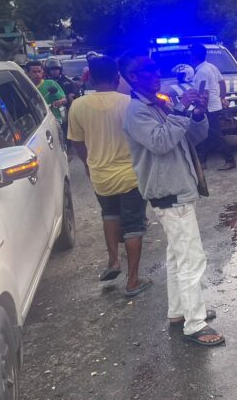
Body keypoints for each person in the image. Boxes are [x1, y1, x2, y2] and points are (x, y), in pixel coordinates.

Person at [120, 49, 224, 347]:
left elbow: (191, 137)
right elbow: (162, 142)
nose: (156, 76)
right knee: (192, 257)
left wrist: (198, 113)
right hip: (170, 194)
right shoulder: (136, 111)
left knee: (178, 257)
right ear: (131, 78)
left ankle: (180, 312)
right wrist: (181, 111)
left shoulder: (159, 104)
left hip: (177, 190)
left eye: (156, 71)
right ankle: (196, 324)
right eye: (148, 72)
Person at [67, 56, 151, 297]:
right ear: (117, 77)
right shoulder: (129, 103)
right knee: (134, 225)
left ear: (91, 78)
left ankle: (113, 262)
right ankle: (133, 281)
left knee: (110, 215)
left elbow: (77, 143)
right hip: (131, 174)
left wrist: (88, 164)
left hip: (101, 175)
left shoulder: (78, 106)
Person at [191, 43, 236, 171]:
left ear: (193, 56)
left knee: (214, 136)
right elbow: (222, 83)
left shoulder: (201, 72)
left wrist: (199, 108)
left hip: (208, 108)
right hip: (214, 106)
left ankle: (229, 160)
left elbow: (203, 93)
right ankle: (202, 161)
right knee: (204, 135)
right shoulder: (211, 67)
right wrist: (222, 97)